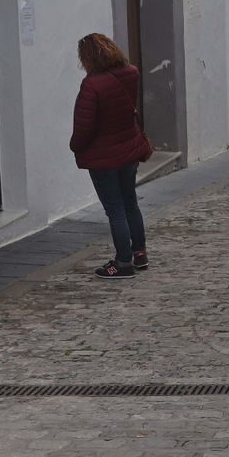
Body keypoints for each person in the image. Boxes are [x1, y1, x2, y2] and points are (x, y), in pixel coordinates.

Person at [70, 33, 153, 279]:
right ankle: (140, 253)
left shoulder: (92, 84)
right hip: (128, 149)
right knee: (130, 202)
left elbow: (84, 127)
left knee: (115, 208)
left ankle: (123, 262)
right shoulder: (131, 73)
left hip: (103, 156)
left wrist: (75, 146)